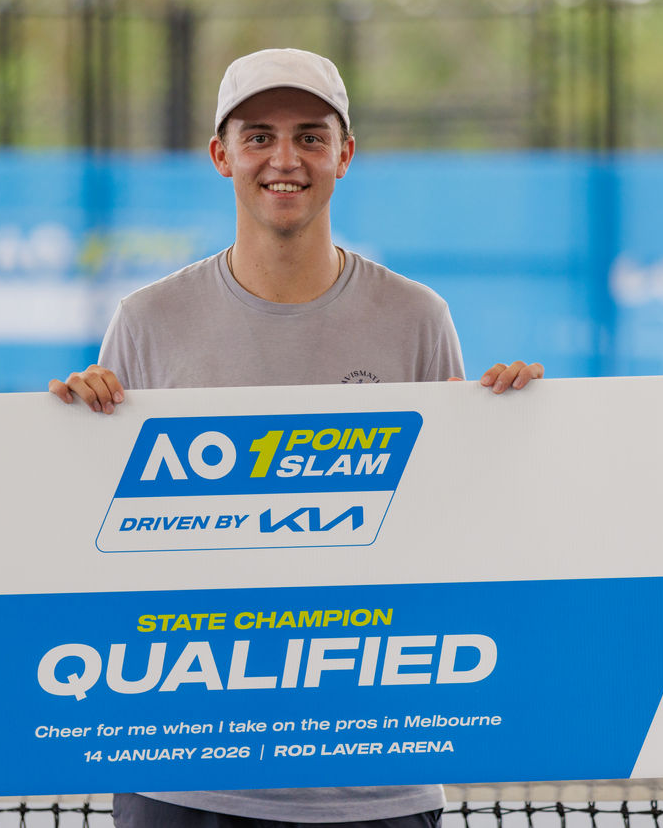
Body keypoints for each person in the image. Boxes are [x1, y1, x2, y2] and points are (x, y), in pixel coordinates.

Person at [49, 48, 543, 827]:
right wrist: (70, 435)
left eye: (311, 136)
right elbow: (102, 545)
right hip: (182, 780)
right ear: (222, 156)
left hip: (376, 784)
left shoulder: (418, 318)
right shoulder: (146, 322)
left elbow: (451, 532)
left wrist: (506, 432)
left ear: (345, 155)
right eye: (259, 137)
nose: (286, 159)